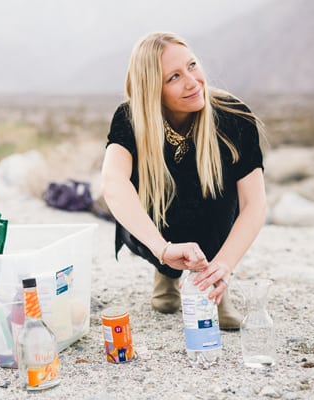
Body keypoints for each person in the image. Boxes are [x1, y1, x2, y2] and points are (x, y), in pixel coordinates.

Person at [101, 32, 266, 330]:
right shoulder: (131, 117)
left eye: (192, 66)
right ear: (153, 90)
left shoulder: (234, 116)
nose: (192, 81)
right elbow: (113, 183)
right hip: (158, 224)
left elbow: (254, 204)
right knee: (137, 196)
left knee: (220, 190)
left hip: (213, 221)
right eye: (174, 77)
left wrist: (224, 266)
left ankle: (211, 281)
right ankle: (166, 272)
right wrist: (162, 250)